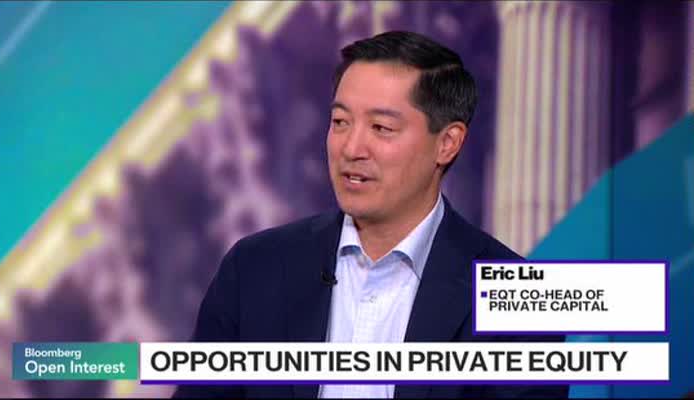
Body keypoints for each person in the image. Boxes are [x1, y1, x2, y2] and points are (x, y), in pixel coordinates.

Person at [174, 31, 567, 399]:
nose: (351, 148)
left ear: (447, 143)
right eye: (340, 122)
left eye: (381, 127)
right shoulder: (254, 269)